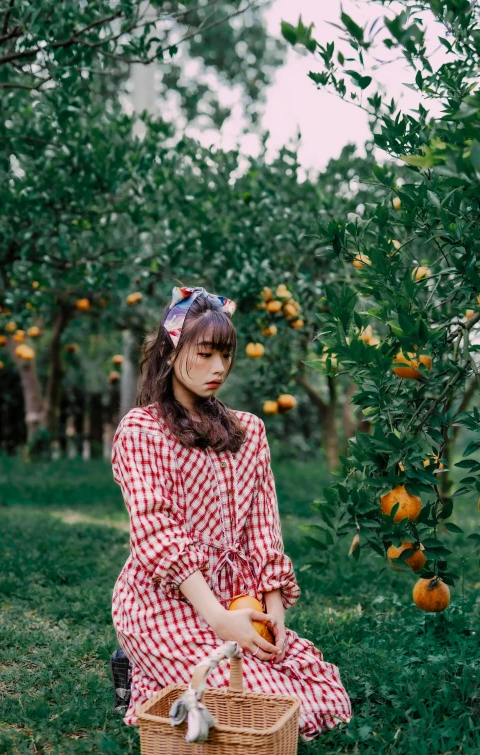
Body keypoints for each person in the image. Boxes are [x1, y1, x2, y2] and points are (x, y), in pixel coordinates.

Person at [109, 285, 352, 742]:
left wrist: (273, 612)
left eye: (226, 355)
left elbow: (264, 530)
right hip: (164, 601)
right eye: (206, 353)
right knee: (260, 708)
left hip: (240, 600)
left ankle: (145, 676)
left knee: (326, 699)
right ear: (170, 351)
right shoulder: (142, 430)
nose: (219, 368)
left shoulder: (249, 432)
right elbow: (156, 533)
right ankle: (142, 666)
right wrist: (218, 620)